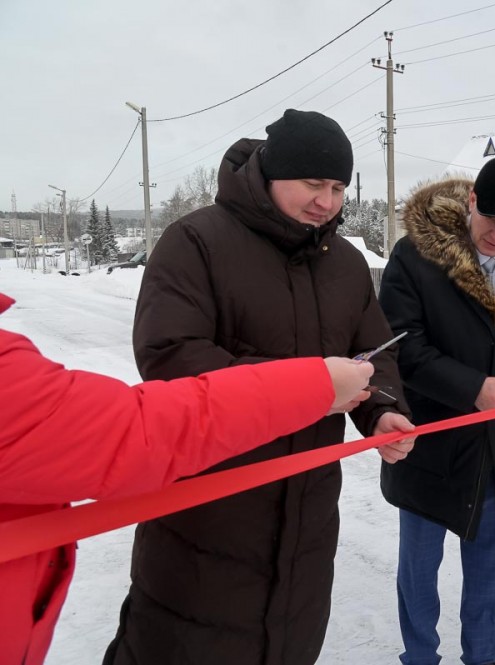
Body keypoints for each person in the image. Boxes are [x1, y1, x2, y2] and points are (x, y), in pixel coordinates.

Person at [103, 109, 416, 665]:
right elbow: (171, 356)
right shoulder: (196, 241)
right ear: (271, 173)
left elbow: (375, 352)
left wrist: (382, 412)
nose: (326, 201)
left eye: (338, 187)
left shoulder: (345, 264)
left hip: (308, 520)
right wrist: (309, 388)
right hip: (208, 515)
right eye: (313, 183)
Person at [0, 291, 376, 665]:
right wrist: (316, 384)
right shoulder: (193, 251)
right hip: (200, 553)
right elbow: (143, 428)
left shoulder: (344, 267)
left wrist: (378, 408)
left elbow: (373, 339)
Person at [378, 156, 495, 665]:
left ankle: (483, 658)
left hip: (494, 447)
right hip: (428, 442)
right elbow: (401, 346)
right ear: (472, 201)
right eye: (492, 220)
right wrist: (472, 389)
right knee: (420, 569)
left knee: (487, 566)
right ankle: (420, 656)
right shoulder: (416, 256)